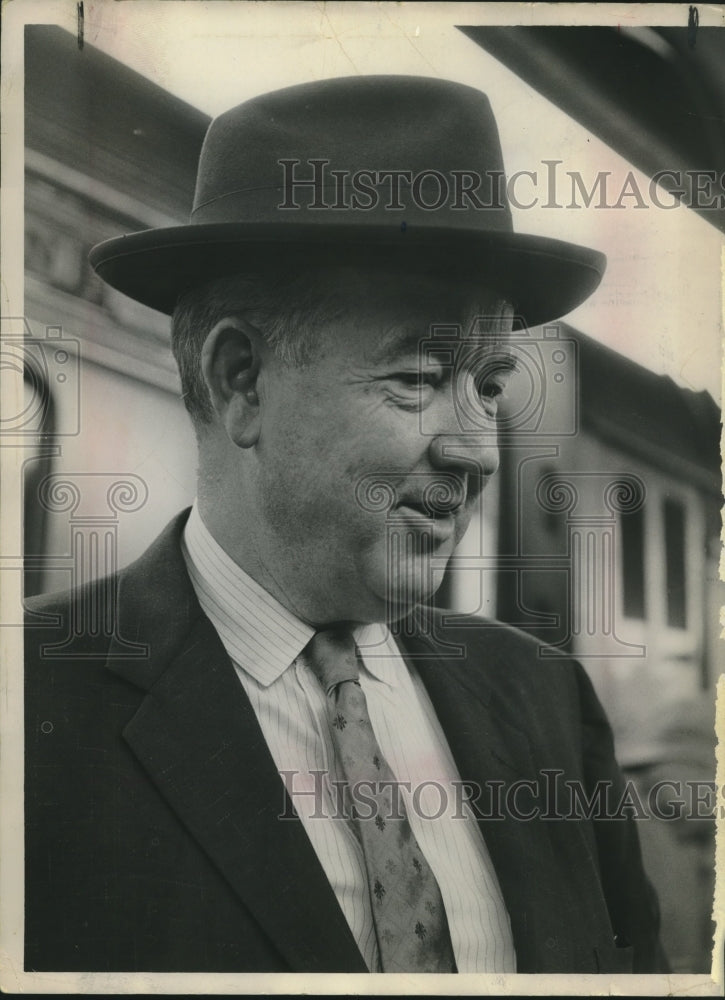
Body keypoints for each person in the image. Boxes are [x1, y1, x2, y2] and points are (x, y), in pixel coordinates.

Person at [24, 75, 667, 975]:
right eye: (416, 379)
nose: (478, 451)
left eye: (486, 386)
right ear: (241, 381)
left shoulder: (545, 702)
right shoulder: (29, 710)